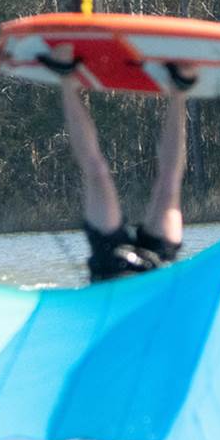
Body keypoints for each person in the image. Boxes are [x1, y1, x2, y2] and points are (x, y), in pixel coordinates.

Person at [54, 51, 196, 282]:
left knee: (98, 174)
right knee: (168, 185)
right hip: (157, 262)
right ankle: (180, 89)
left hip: (110, 260)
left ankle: (66, 78)